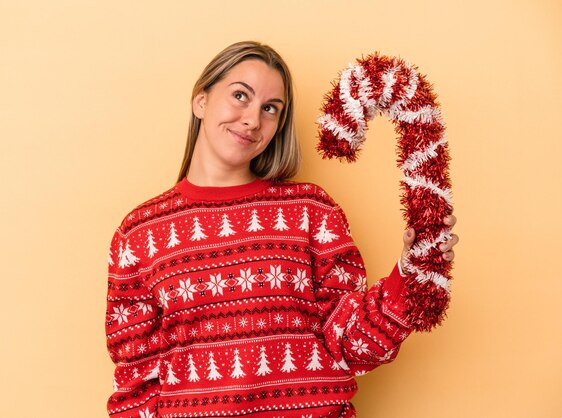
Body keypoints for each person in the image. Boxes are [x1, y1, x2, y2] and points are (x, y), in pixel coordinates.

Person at [105, 41, 458, 418]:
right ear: (201, 101)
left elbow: (354, 345)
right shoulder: (140, 233)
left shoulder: (311, 212)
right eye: (240, 96)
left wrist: (410, 273)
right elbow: (135, 384)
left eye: (270, 109)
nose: (253, 120)